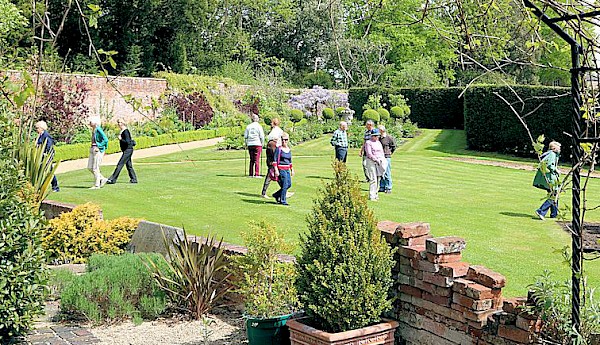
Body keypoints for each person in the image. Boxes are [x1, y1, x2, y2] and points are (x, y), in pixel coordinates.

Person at [533, 141, 561, 220]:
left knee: (554, 194)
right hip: (550, 178)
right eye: (559, 147)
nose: (560, 149)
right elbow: (549, 165)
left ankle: (554, 214)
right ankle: (541, 211)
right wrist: (556, 170)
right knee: (554, 195)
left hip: (549, 177)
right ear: (554, 148)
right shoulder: (552, 154)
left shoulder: (551, 154)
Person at [106, 119, 138, 184]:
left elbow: (128, 142)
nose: (118, 124)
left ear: (122, 123)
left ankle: (112, 179)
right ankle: (134, 179)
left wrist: (121, 139)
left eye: (119, 122)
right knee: (129, 165)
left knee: (120, 164)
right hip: (126, 150)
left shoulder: (125, 131)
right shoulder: (122, 131)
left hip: (128, 150)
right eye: (118, 122)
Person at [35, 120, 60, 192]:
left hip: (47, 156)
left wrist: (46, 154)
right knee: (43, 170)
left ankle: (55, 186)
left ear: (41, 128)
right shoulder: (41, 135)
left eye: (37, 128)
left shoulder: (46, 135)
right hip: (42, 156)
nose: (36, 130)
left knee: (49, 171)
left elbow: (49, 145)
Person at [364, 128, 387, 201]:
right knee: (373, 179)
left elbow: (381, 152)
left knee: (378, 178)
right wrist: (375, 159)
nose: (377, 137)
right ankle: (372, 195)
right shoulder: (368, 143)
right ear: (372, 136)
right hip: (371, 162)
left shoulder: (378, 142)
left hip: (379, 161)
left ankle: (376, 194)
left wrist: (382, 160)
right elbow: (369, 154)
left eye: (378, 136)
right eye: (376, 136)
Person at [273, 132, 294, 206]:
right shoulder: (278, 149)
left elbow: (290, 161)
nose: (284, 141)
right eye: (282, 140)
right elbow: (275, 160)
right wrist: (276, 170)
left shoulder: (288, 149)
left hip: (287, 169)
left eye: (286, 140)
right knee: (284, 184)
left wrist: (292, 169)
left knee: (289, 184)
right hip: (281, 169)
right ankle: (283, 200)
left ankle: (276, 195)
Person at [88, 116, 109, 189]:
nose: (89, 123)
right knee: (90, 167)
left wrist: (99, 146)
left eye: (91, 121)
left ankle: (97, 185)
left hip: (97, 150)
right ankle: (102, 179)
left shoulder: (98, 129)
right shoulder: (93, 130)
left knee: (95, 167)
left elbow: (106, 140)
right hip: (92, 148)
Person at [378, 125, 396, 194]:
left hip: (386, 156)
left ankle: (388, 187)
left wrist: (390, 153)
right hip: (380, 157)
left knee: (387, 172)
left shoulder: (389, 138)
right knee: (381, 172)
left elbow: (393, 146)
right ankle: (382, 186)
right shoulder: (379, 138)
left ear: (382, 131)